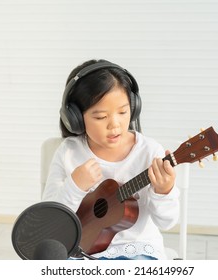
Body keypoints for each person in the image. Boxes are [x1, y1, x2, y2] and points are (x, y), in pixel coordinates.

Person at [42, 59, 180, 260]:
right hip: (80, 250)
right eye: (100, 117)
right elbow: (50, 220)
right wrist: (74, 186)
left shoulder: (149, 152)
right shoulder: (68, 153)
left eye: (123, 112)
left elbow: (167, 223)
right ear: (75, 118)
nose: (115, 125)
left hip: (137, 250)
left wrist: (163, 192)